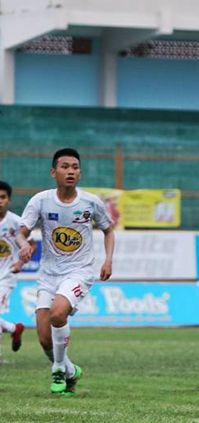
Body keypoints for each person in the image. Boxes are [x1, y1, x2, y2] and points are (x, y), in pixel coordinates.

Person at [15, 148, 115, 395]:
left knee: (58, 314)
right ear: (53, 171)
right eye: (65, 166)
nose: (70, 171)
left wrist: (108, 260)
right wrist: (23, 244)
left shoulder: (90, 202)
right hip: (49, 275)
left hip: (79, 271)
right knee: (43, 338)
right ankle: (70, 371)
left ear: (79, 173)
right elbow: (21, 232)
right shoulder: (40, 200)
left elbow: (108, 230)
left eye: (75, 167)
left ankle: (58, 368)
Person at [0, 180, 28, 355]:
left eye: (3, 197)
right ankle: (14, 328)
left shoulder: (16, 222)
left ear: (8, 200)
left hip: (6, 276)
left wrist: (20, 262)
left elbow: (30, 244)